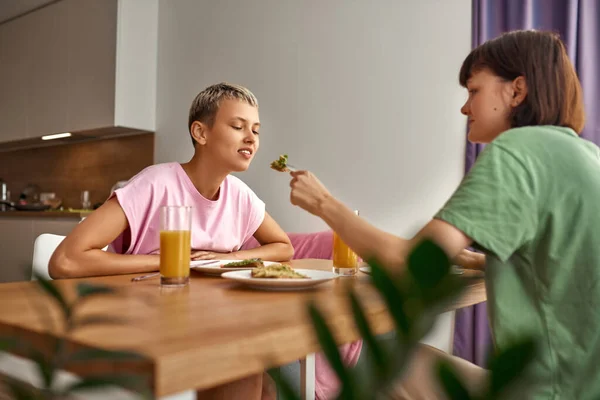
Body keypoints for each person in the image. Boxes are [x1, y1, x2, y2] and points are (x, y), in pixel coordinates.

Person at [288, 30, 598, 399]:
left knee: (379, 361)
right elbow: (560, 261)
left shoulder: (518, 150)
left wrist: (324, 203)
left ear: (517, 91)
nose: (465, 108)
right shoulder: (586, 155)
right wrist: (481, 262)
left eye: (474, 91)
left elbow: (415, 266)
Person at [50, 82, 293, 400]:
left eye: (256, 130)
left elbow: (283, 247)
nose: (251, 139)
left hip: (209, 325)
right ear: (201, 133)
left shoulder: (240, 196)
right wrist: (174, 261)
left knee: (262, 381)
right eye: (237, 126)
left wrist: (224, 260)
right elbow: (65, 260)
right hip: (146, 327)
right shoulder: (155, 183)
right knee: (246, 371)